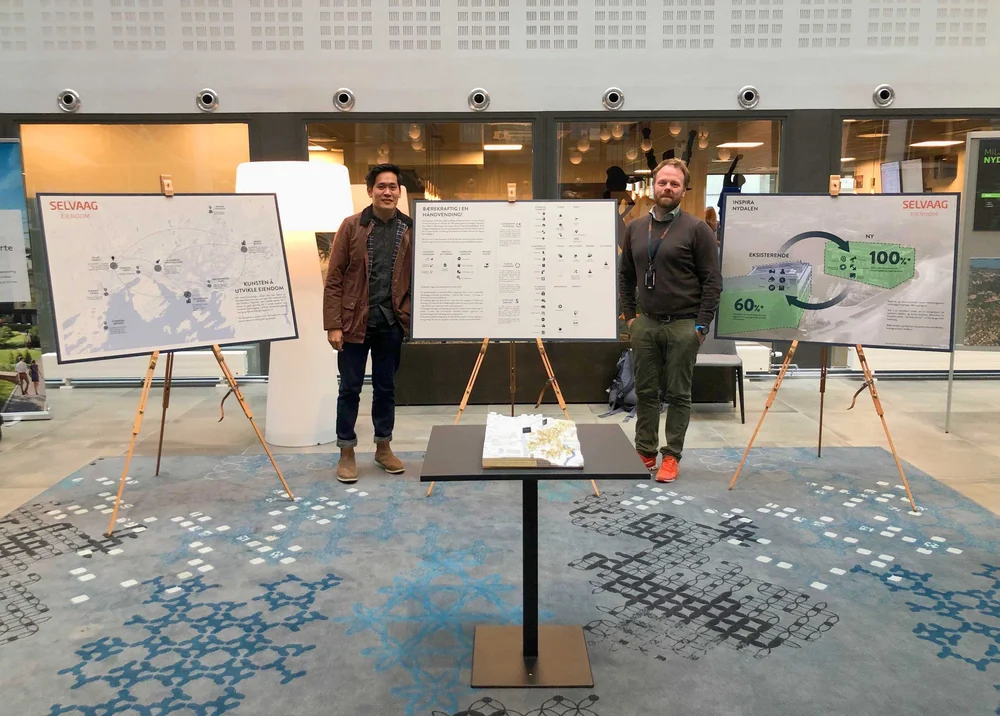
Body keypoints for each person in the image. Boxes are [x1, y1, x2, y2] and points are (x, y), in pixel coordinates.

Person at [619, 158, 722, 483]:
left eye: (674, 184)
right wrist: (631, 317)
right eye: (662, 182)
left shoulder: (697, 229)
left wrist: (701, 326)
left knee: (678, 394)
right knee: (646, 392)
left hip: (684, 324)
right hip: (646, 323)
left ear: (683, 190)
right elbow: (625, 277)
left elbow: (713, 281)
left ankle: (671, 456)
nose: (667, 188)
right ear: (653, 186)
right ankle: (645, 451)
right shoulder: (636, 228)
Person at [323, 163, 413, 484]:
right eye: (381, 186)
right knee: (349, 388)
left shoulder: (409, 229)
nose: (387, 192)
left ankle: (383, 447)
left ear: (399, 192)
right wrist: (333, 324)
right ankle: (346, 451)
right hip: (353, 322)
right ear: (370, 191)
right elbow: (334, 278)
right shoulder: (351, 226)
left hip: (391, 322)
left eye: (393, 186)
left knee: (386, 388)